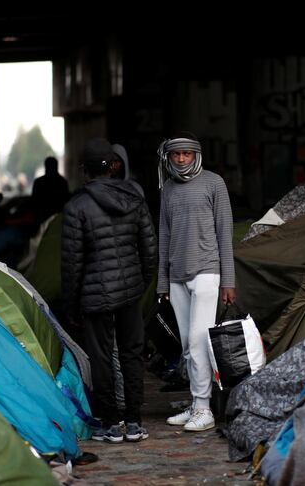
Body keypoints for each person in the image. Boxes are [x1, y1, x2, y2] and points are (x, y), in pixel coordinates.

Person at [61, 137, 157, 443]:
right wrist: (139, 283)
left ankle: (112, 424)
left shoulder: (77, 206)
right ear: (114, 166)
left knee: (101, 357)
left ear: (84, 170)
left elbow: (72, 263)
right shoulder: (135, 197)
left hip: (94, 296)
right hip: (130, 291)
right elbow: (150, 250)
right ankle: (135, 420)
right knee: (132, 353)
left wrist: (72, 306)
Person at [157, 132, 236, 433]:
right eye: (176, 155)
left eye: (187, 154)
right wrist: (162, 282)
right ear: (169, 157)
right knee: (188, 346)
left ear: (196, 155)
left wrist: (227, 279)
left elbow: (224, 235)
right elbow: (164, 235)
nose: (181, 159)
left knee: (199, 342)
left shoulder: (214, 183)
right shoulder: (168, 190)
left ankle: (204, 409)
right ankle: (196, 402)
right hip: (176, 274)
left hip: (207, 271)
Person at [31, 156, 70, 223]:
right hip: (59, 218)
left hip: (41, 217)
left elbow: (34, 202)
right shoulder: (62, 182)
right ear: (56, 166)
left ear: (45, 166)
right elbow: (66, 201)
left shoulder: (39, 182)